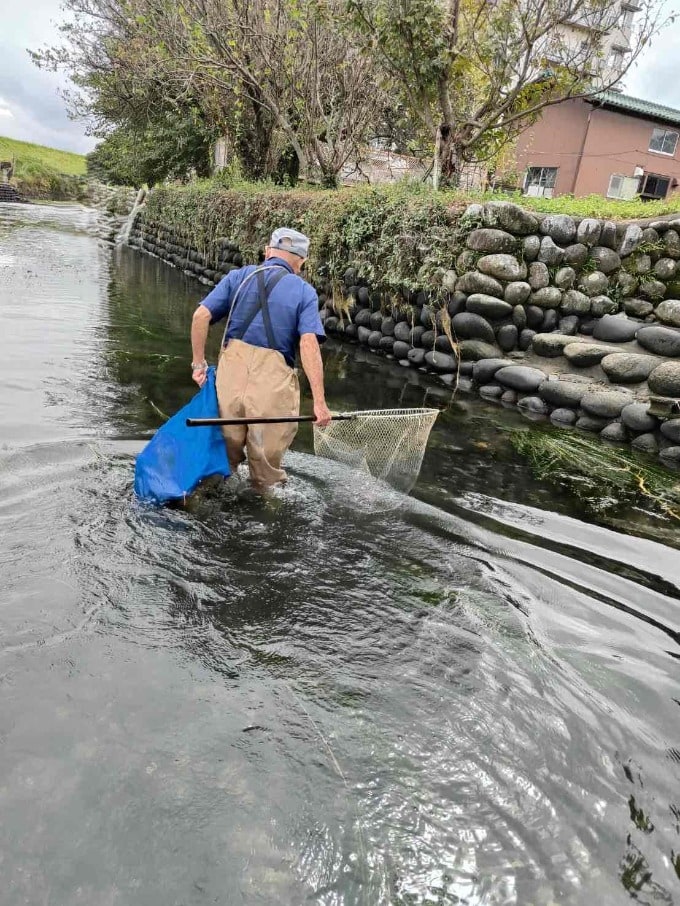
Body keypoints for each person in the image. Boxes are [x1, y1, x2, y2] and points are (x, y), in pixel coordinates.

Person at [190, 227, 331, 491]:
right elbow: (308, 343)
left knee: (221, 461)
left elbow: (201, 316)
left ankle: (203, 505)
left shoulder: (239, 277)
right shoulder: (304, 292)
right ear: (301, 261)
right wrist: (320, 403)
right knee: (266, 474)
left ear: (268, 252)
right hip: (272, 389)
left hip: (229, 383)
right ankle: (264, 518)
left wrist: (199, 364)